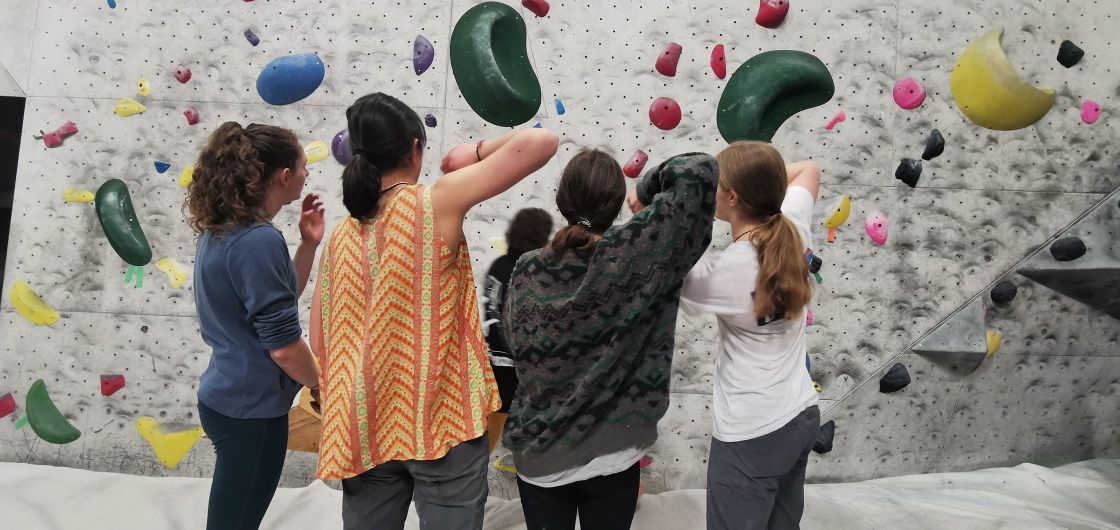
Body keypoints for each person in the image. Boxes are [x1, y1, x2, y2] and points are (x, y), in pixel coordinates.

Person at [310, 92, 559, 530]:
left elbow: (320, 342)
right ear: (413, 148)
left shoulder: (339, 237)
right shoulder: (433, 202)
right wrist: (474, 150)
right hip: (440, 419)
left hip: (364, 422)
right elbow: (542, 142)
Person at [503, 149, 718, 530]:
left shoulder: (528, 267)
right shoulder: (640, 255)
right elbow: (699, 169)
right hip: (613, 450)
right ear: (617, 202)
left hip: (540, 450)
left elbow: (519, 346)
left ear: (562, 200)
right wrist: (648, 190)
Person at [185, 122, 325, 530]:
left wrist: (308, 245)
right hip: (250, 412)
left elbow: (279, 301)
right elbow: (282, 345)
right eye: (303, 166)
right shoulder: (257, 240)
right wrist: (320, 382)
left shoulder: (228, 229)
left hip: (234, 398)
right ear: (284, 176)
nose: (307, 174)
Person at [676, 141, 821, 530]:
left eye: (716, 187)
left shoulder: (720, 272)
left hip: (752, 431)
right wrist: (768, 182)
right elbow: (808, 168)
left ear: (732, 198)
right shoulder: (793, 228)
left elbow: (665, 261)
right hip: (801, 414)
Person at [482, 207, 554, 454]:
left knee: (486, 440)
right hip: (517, 369)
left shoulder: (498, 265)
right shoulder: (528, 271)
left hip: (492, 365)